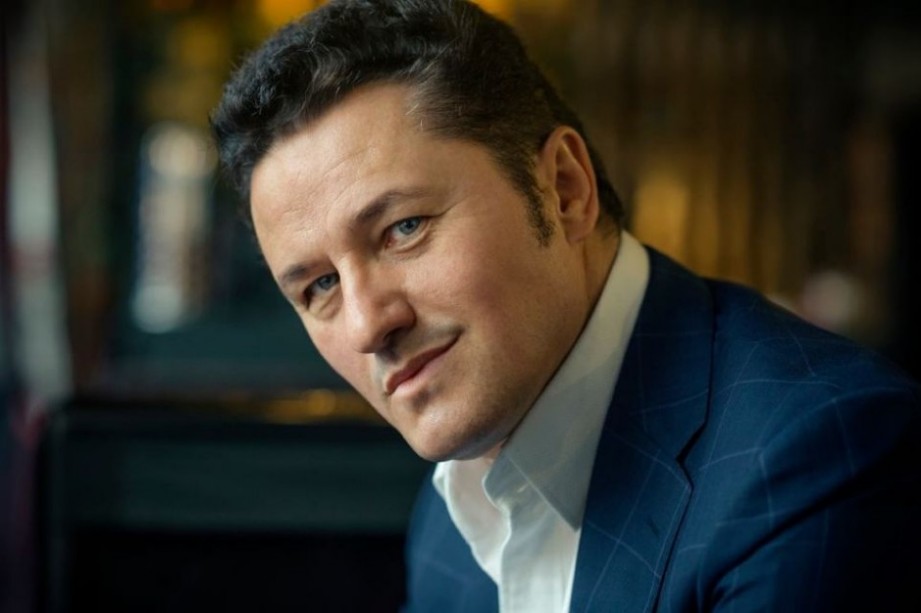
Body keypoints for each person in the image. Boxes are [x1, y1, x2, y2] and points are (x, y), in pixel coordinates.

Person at [210, 1, 921, 611]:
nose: (368, 325)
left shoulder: (818, 455)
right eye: (319, 287)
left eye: (404, 228)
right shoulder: (452, 510)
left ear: (564, 189)